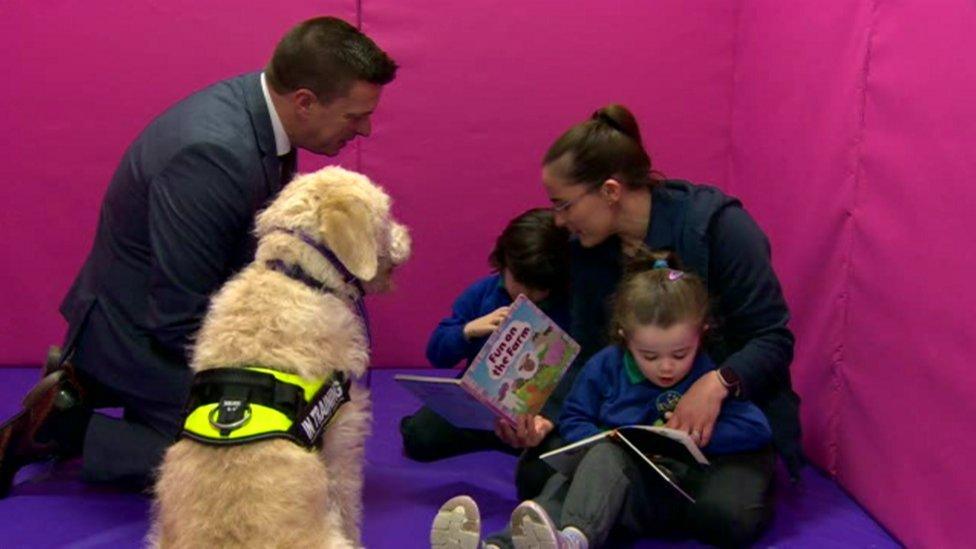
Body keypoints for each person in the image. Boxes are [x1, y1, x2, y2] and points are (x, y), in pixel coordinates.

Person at [0, 16, 397, 496]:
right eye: (355, 117)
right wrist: (256, 378)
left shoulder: (264, 115)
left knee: (295, 426)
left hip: (159, 315)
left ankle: (86, 388)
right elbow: (175, 318)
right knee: (256, 458)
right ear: (305, 102)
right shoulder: (212, 154)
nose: (367, 130)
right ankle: (65, 429)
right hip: (136, 335)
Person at [495, 103, 803, 506]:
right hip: (629, 416)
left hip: (723, 418)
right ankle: (629, 492)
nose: (558, 220)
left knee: (729, 516)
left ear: (610, 191)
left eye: (563, 205)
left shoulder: (719, 228)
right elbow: (587, 348)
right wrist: (546, 415)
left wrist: (718, 384)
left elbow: (773, 337)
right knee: (535, 474)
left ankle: (625, 497)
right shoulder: (587, 250)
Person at [431, 256, 775, 548]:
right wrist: (596, 439)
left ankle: (573, 541)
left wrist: (697, 433)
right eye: (650, 355)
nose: (667, 366)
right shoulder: (605, 366)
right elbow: (575, 416)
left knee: (607, 459)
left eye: (680, 353)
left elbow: (756, 427)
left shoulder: (702, 375)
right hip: (594, 476)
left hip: (655, 494)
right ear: (626, 337)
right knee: (561, 483)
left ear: (700, 336)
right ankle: (500, 544)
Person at [401, 208, 571, 463]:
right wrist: (467, 331)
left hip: (537, 413)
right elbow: (436, 354)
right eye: (519, 282)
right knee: (418, 437)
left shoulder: (570, 305)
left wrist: (548, 420)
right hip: (479, 406)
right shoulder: (485, 293)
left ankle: (520, 443)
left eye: (539, 289)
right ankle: (494, 436)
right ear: (503, 265)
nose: (527, 294)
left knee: (552, 461)